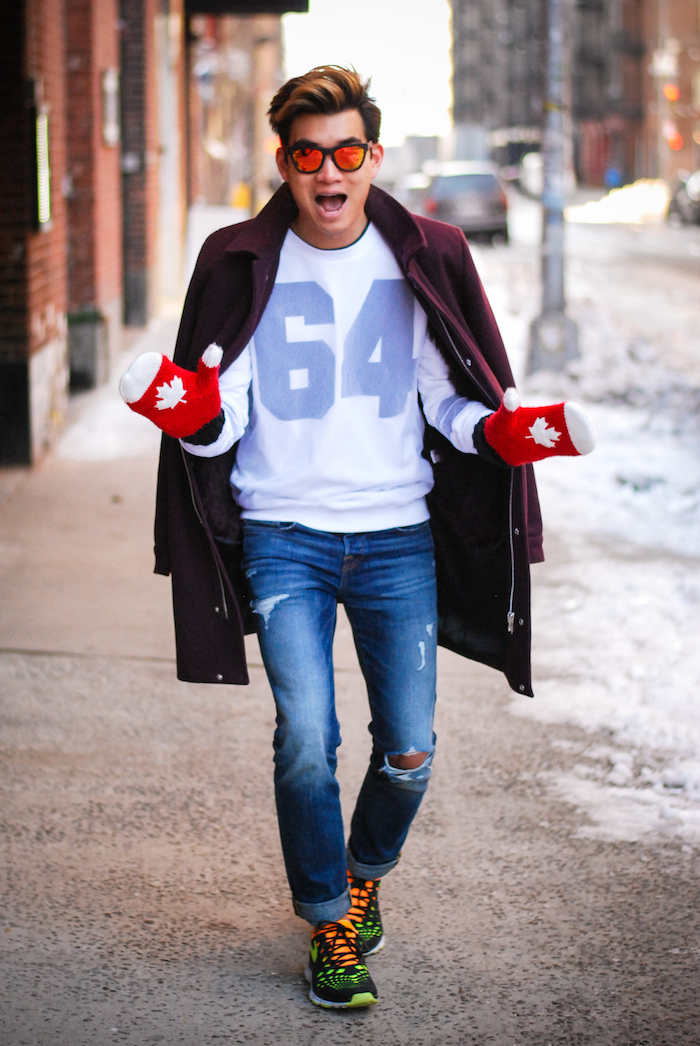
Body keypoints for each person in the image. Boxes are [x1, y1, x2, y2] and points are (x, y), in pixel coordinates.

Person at [120, 66, 595, 1010]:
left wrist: (500, 433)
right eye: (308, 155)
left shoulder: (427, 253)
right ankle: (330, 917)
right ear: (286, 164)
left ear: (372, 157)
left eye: (347, 152)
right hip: (284, 533)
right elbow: (225, 423)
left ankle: (363, 871)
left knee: (410, 748)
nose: (328, 173)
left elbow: (450, 396)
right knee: (307, 737)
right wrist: (187, 412)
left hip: (393, 538)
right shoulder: (237, 258)